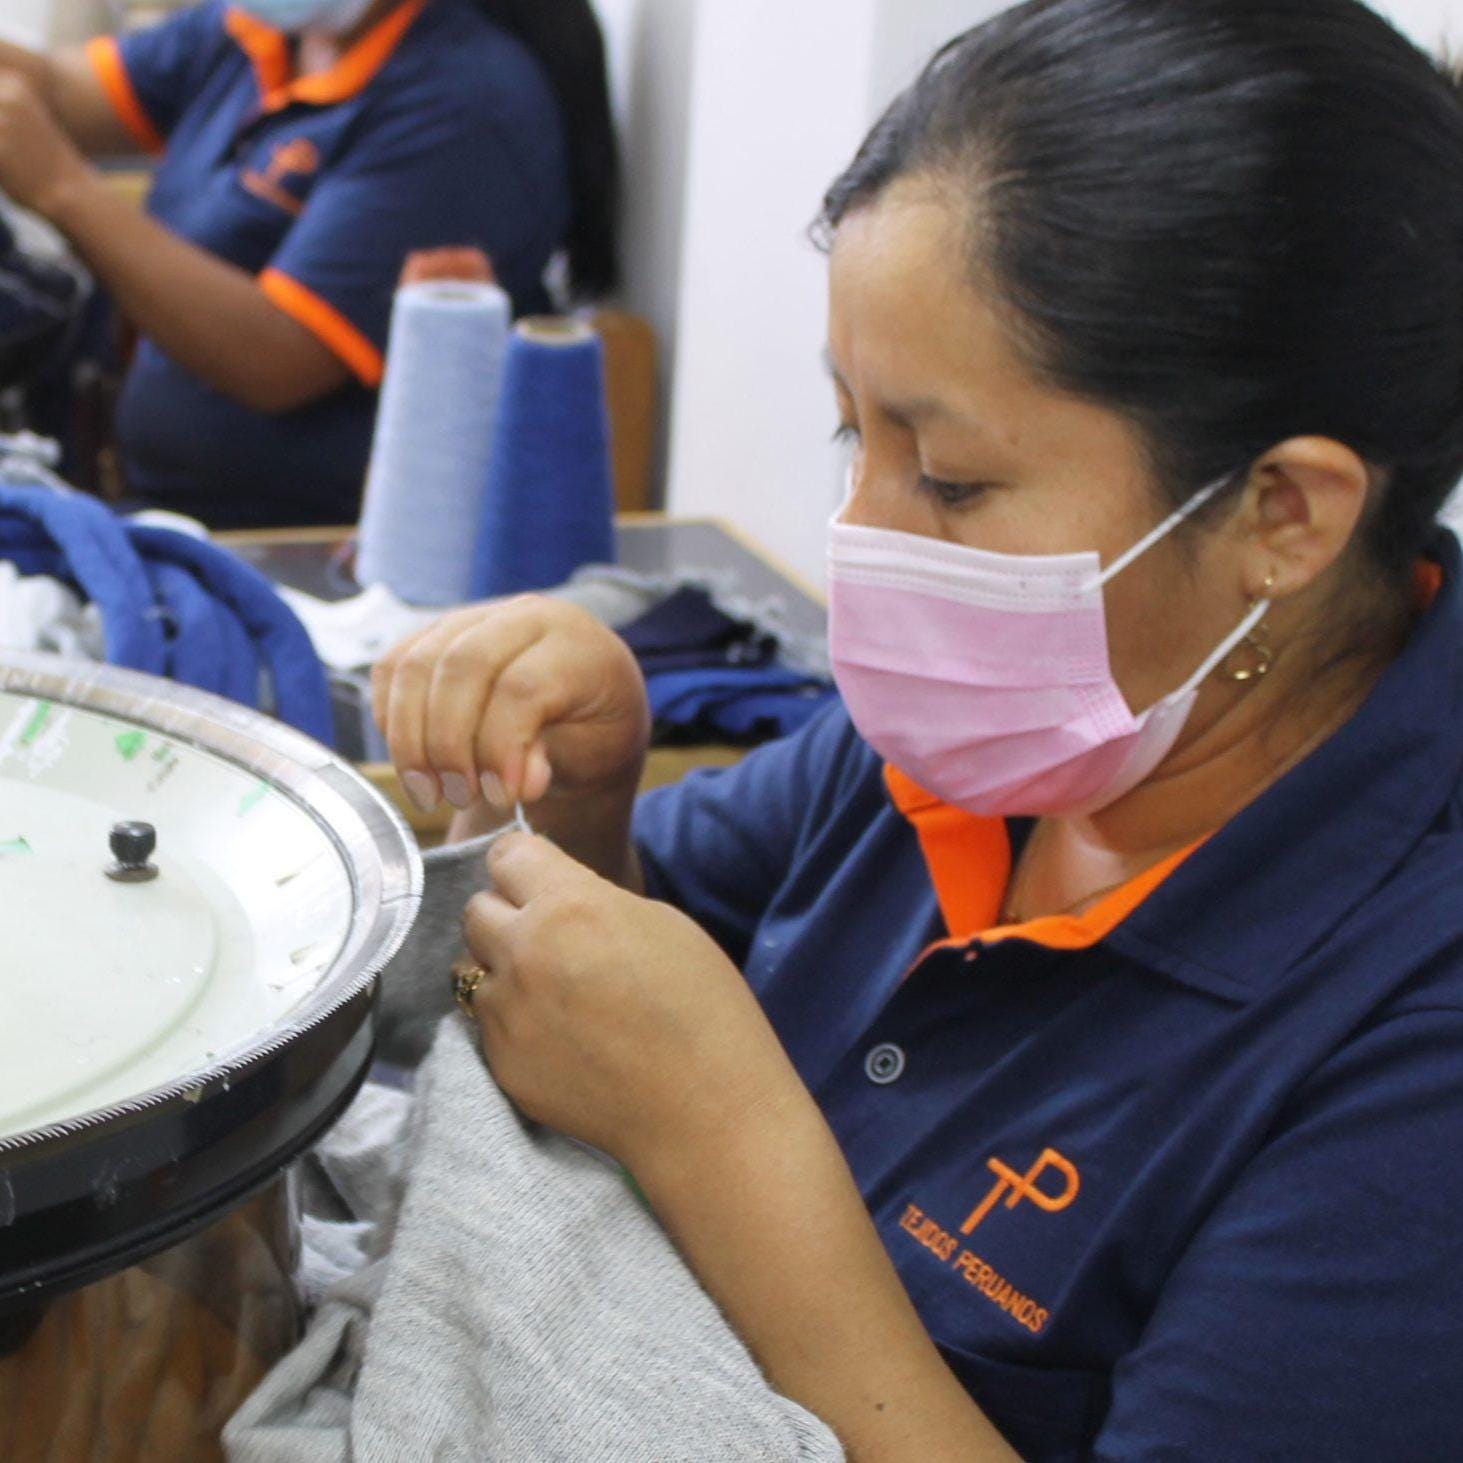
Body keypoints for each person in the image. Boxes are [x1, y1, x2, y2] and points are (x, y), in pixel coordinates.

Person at [371, 0, 1463, 1456]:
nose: (865, 542)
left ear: (1281, 513)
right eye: (851, 433)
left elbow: (677, 1078)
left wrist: (723, 1139)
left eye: (948, 482)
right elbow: (604, 964)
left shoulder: (1413, 1052)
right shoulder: (983, 741)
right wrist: (581, 793)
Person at [0, 0, 617, 528]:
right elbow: (56, 88)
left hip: (319, 549)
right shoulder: (259, 32)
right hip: (169, 511)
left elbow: (278, 360)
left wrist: (62, 189)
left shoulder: (462, 104)